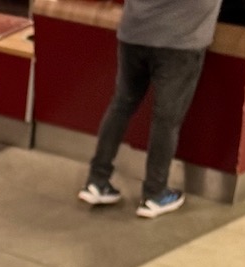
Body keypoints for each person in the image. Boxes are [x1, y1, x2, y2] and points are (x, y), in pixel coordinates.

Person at [79, 0, 225, 218]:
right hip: (179, 41)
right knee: (166, 119)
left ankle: (97, 180)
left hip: (135, 31)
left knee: (122, 104)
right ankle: (155, 193)